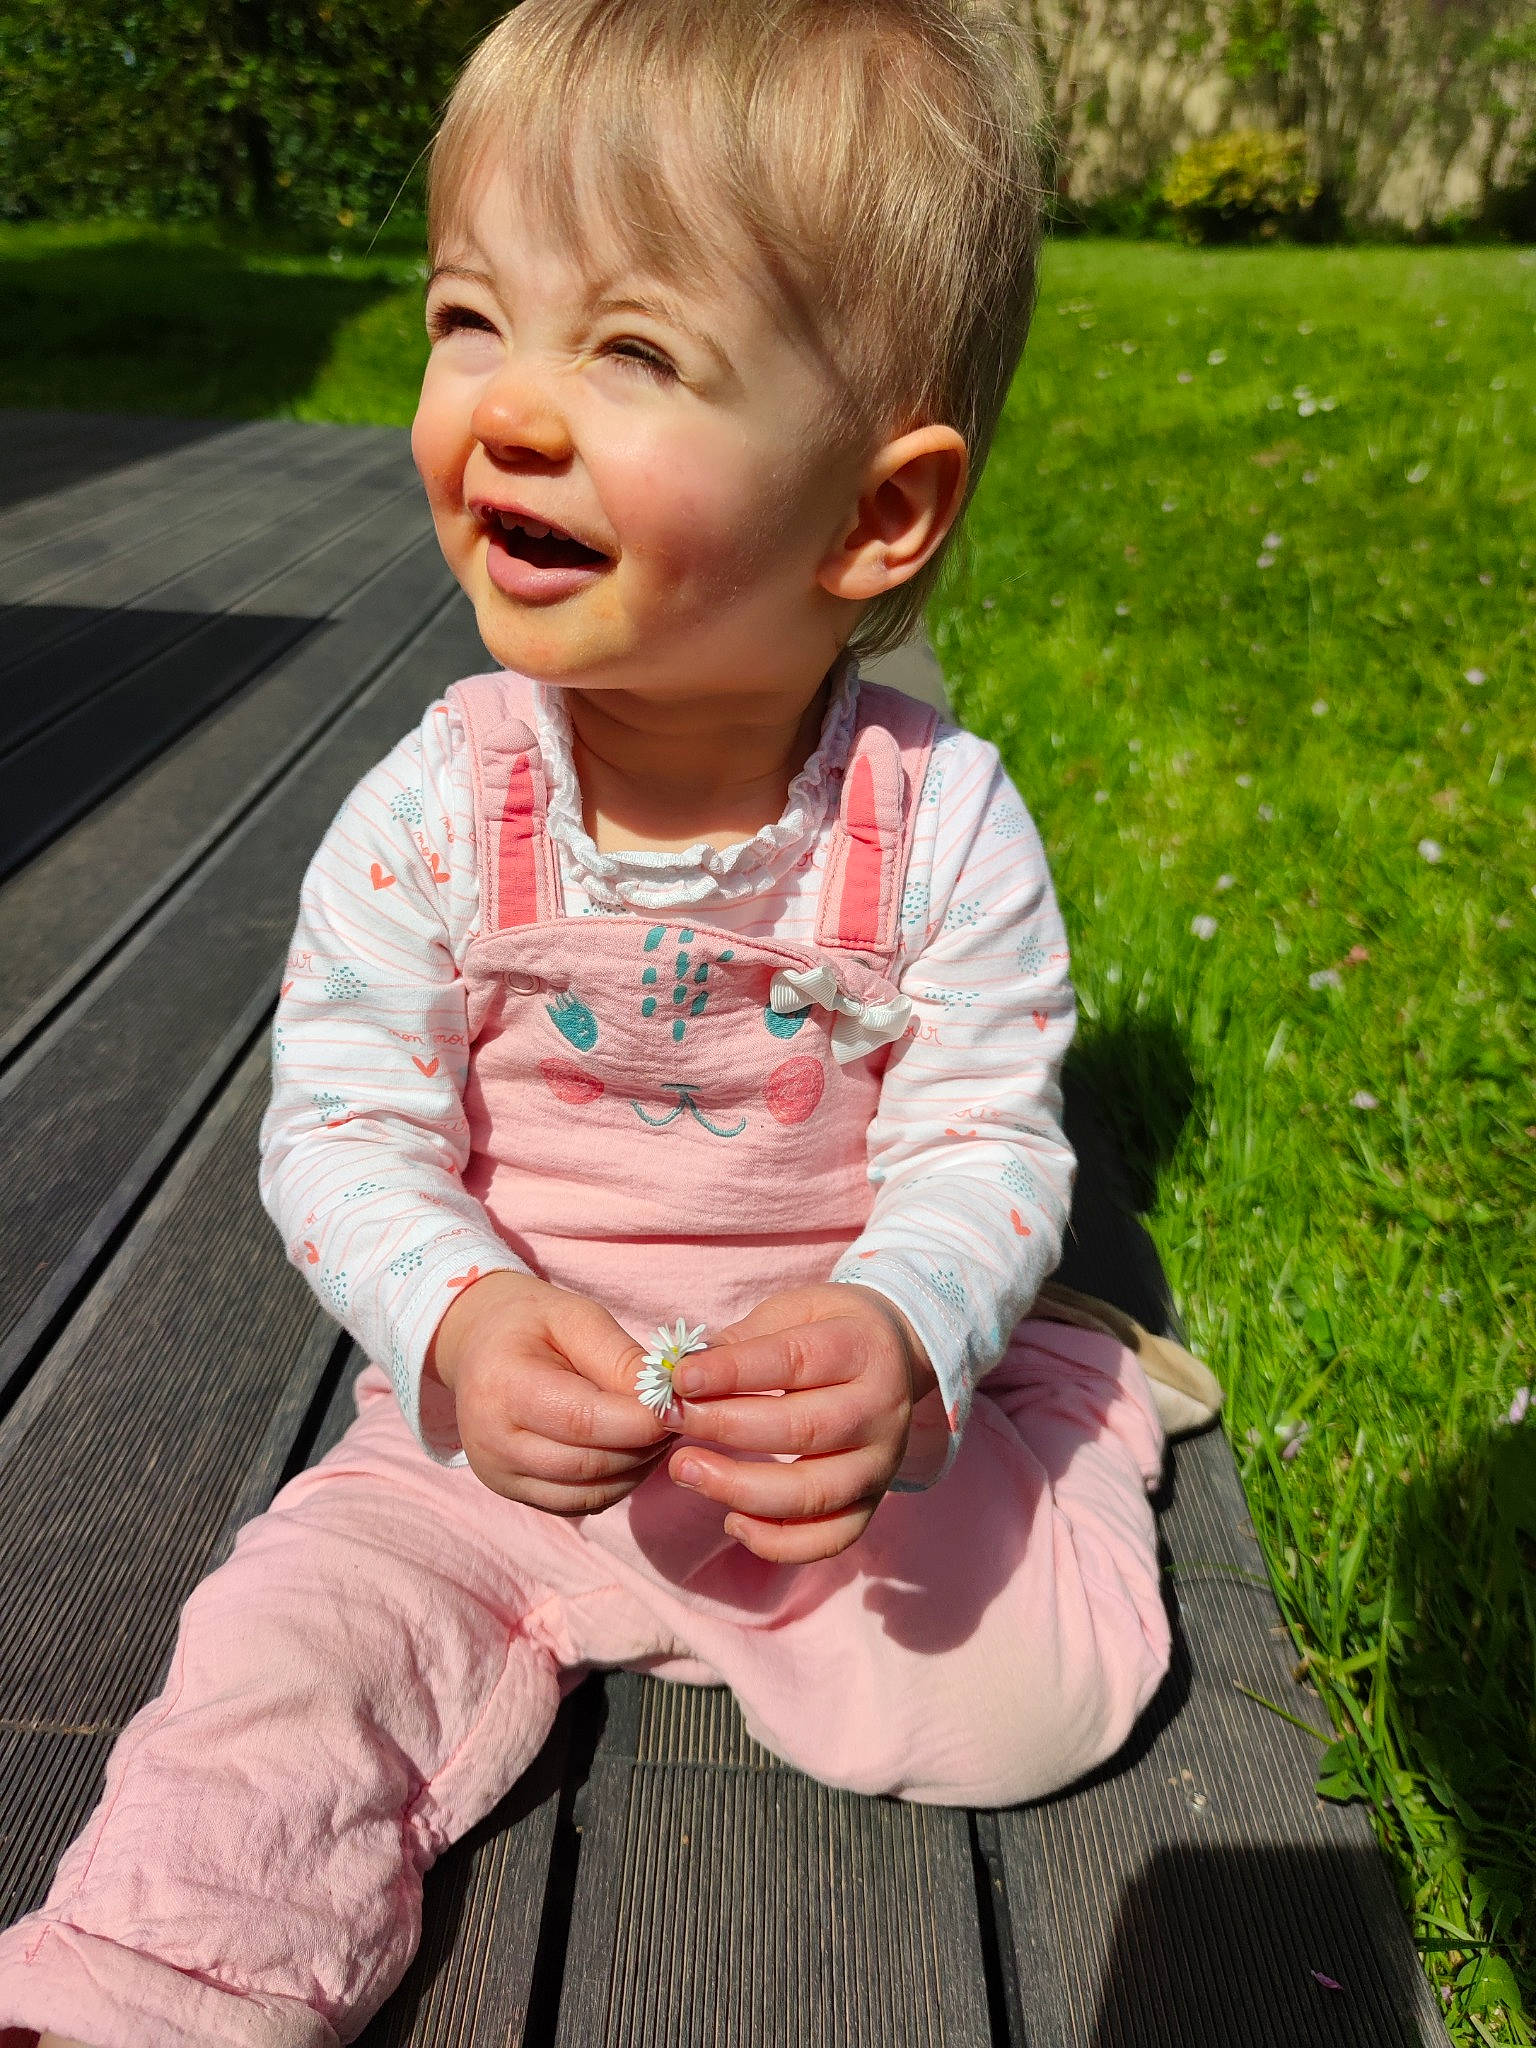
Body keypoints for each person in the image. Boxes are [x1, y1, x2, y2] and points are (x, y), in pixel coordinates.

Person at [1, 3, 1202, 2042]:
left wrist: (908, 1329)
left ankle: (1062, 1410)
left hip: (805, 1441)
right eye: (473, 316)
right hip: (476, 1439)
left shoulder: (935, 826)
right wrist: (459, 1315)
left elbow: (988, 1140)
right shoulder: (437, 808)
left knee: (1024, 1709)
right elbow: (340, 1134)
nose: (512, 408)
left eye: (632, 350)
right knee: (271, 1663)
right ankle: (142, 1994)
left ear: (873, 517)